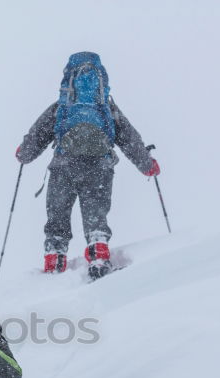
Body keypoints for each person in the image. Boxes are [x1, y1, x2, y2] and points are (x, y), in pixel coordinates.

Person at [16, 51, 161, 280]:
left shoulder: (62, 107)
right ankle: (98, 255)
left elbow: (37, 134)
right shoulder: (106, 108)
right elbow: (129, 138)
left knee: (58, 216)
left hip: (63, 166)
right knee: (96, 216)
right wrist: (147, 164)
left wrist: (24, 153)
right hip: (99, 168)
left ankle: (55, 259)